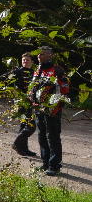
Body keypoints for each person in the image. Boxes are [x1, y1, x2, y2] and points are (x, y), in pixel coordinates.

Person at [29, 46, 70, 176]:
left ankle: (54, 165)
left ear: (50, 55)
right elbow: (33, 87)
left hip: (53, 109)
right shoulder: (37, 70)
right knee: (41, 135)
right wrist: (30, 95)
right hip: (38, 108)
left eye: (42, 54)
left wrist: (56, 105)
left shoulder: (58, 70)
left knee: (52, 136)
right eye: (38, 54)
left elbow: (65, 88)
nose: (38, 56)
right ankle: (45, 162)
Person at [7, 52, 36, 156]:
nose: (25, 61)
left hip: (31, 101)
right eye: (23, 60)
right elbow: (7, 81)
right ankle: (17, 144)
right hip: (21, 101)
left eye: (27, 60)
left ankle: (23, 149)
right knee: (30, 125)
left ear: (32, 62)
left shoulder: (34, 72)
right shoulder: (17, 71)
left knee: (25, 125)